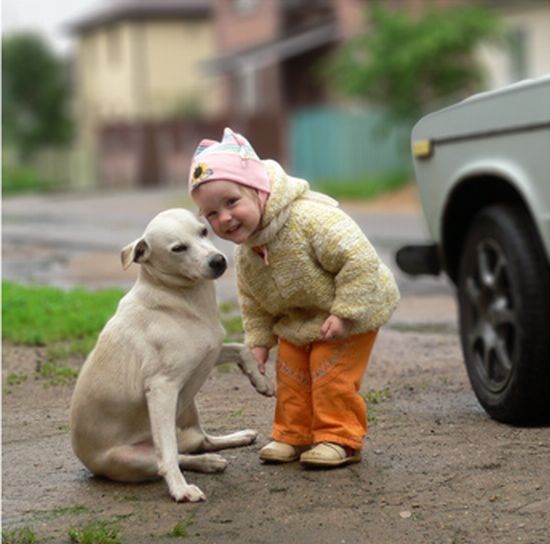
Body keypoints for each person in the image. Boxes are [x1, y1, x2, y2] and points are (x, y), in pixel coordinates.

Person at [189, 127, 400, 468]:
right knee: (291, 369)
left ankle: (339, 438)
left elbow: (359, 258)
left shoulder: (310, 220)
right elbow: (253, 300)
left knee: (328, 370)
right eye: (212, 214)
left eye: (232, 202)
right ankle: (294, 435)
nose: (224, 218)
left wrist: (346, 313)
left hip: (352, 304)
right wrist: (258, 341)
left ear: (259, 190)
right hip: (300, 319)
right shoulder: (247, 254)